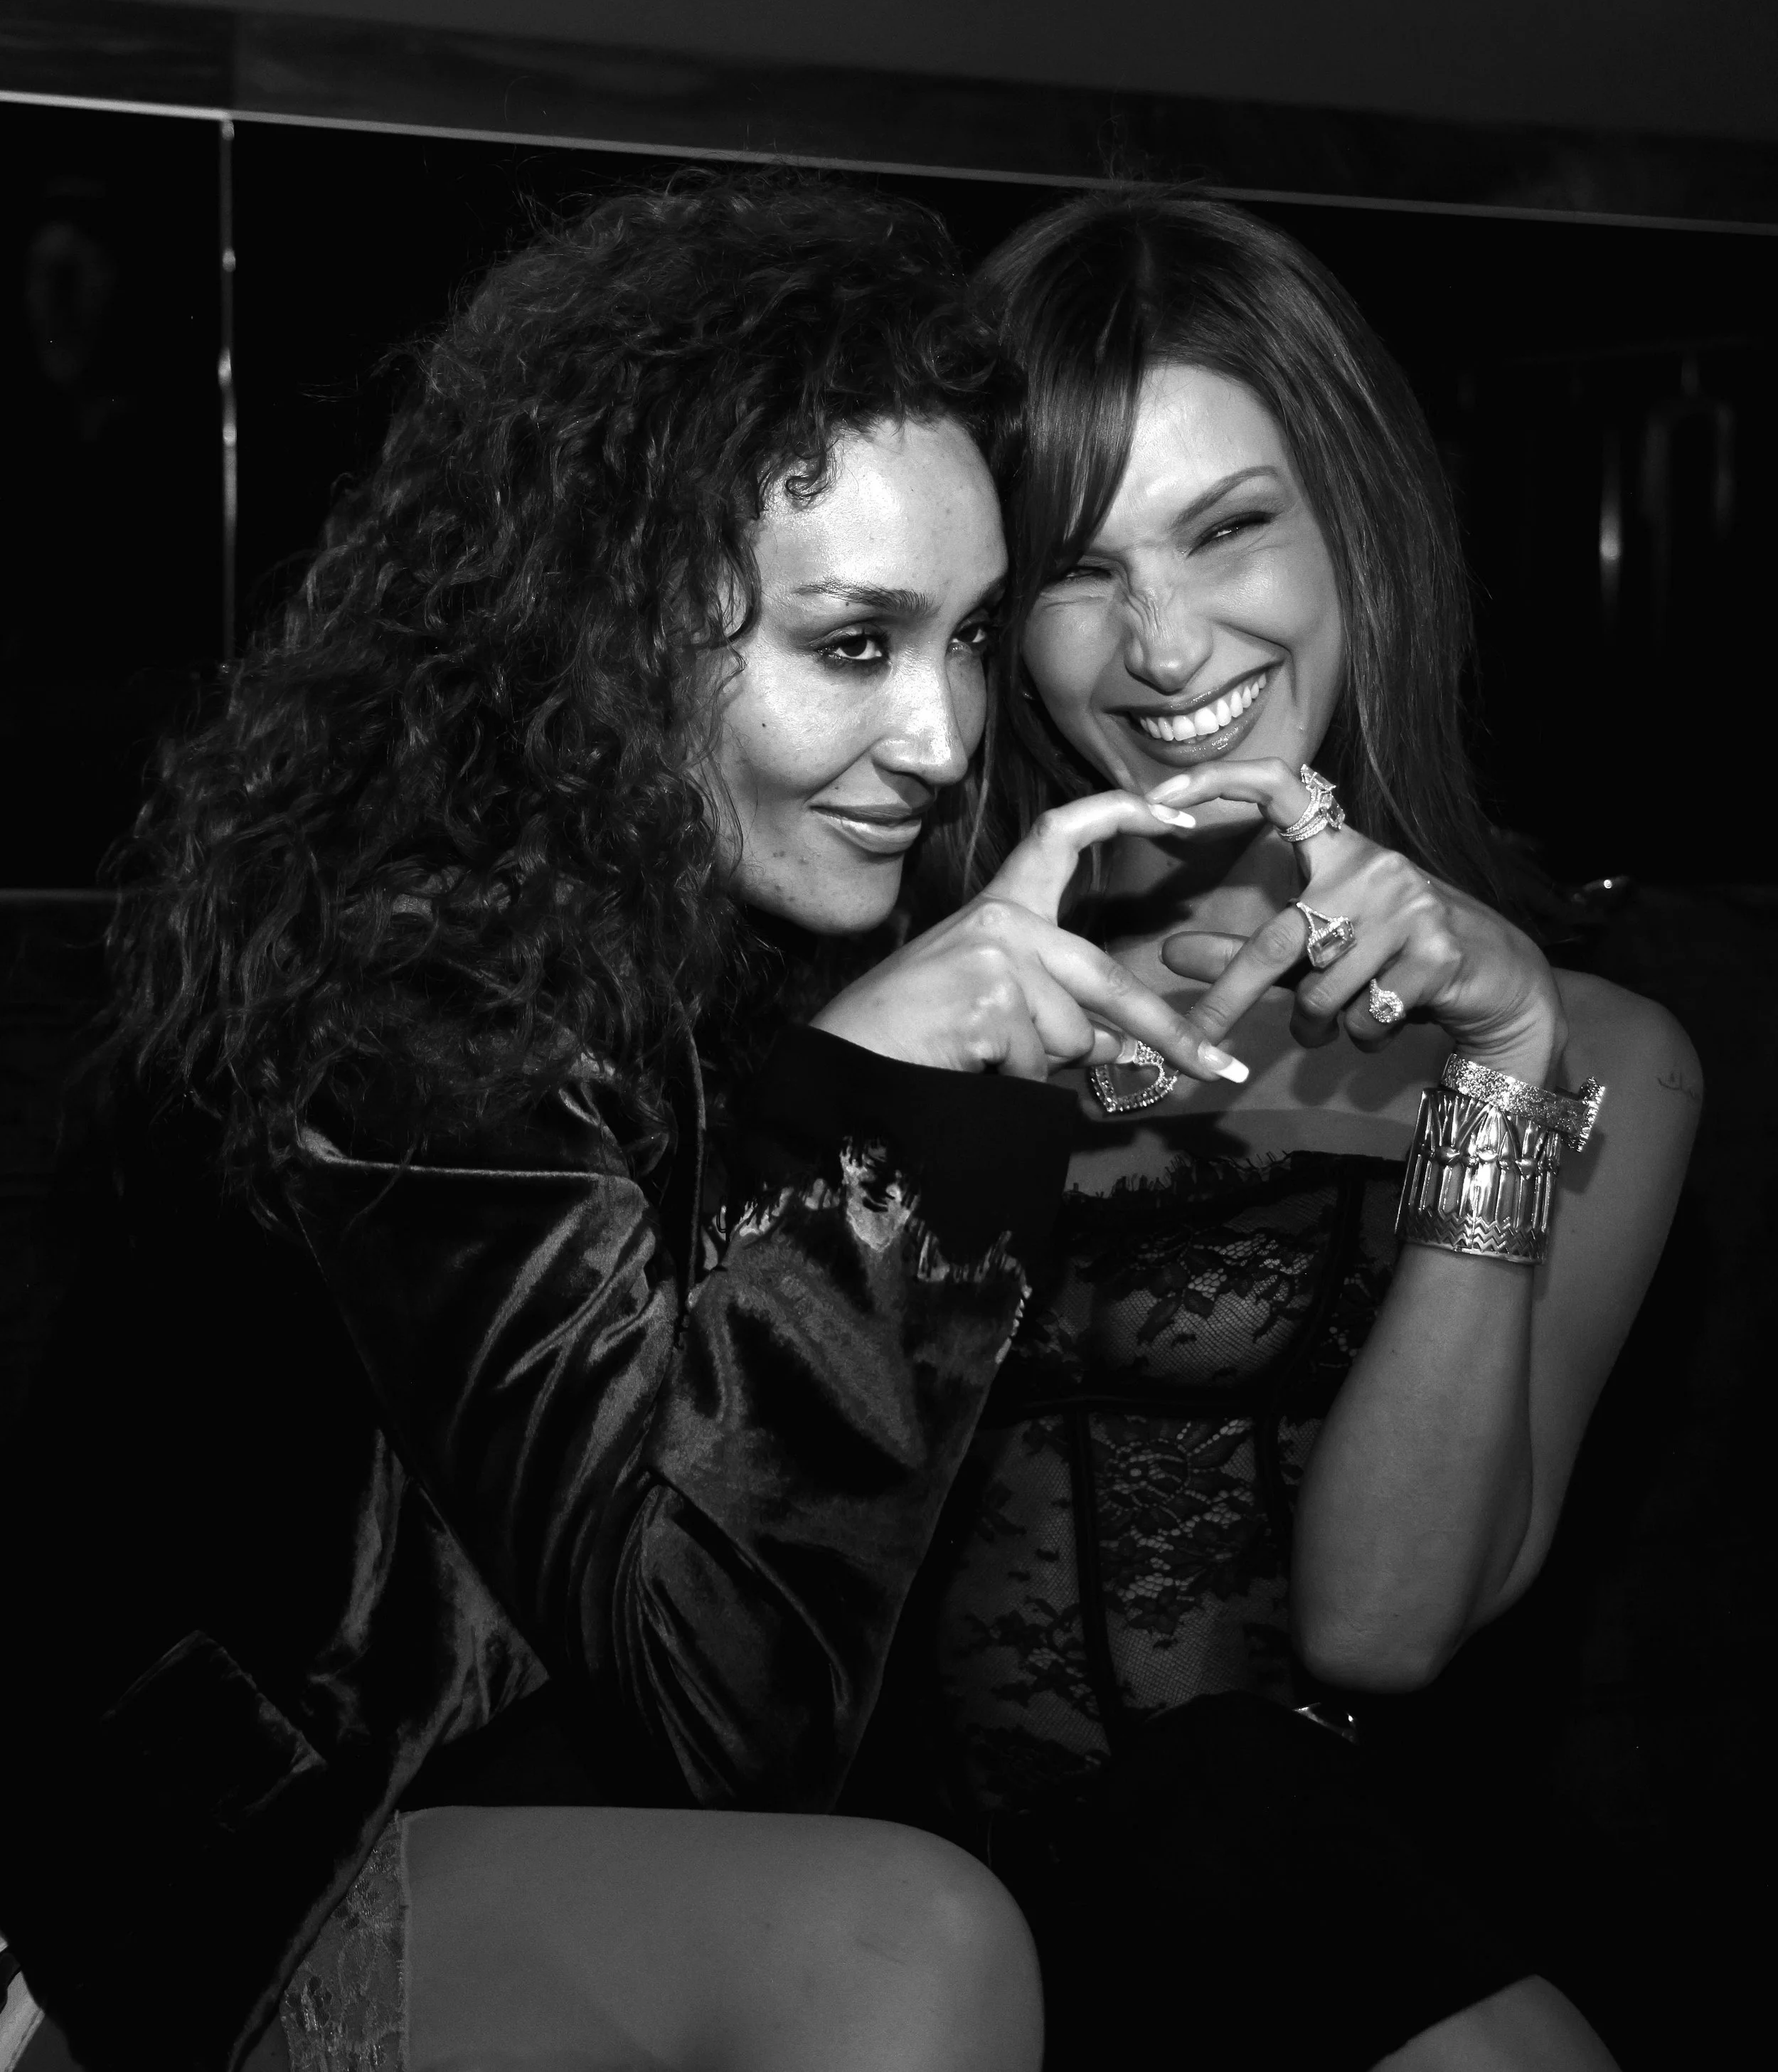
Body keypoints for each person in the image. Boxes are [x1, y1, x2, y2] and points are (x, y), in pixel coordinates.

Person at [0, 176, 1238, 2072]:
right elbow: (714, 1705)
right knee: (902, 1945)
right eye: (850, 643)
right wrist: (890, 1108)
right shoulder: (419, 984)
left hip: (564, 1806)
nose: (936, 732)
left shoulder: (750, 915)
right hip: (253, 1857)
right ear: (615, 630)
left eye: (972, 636)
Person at [902, 189, 1702, 2072]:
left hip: (1320, 1938)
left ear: (1353, 525)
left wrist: (1497, 1074)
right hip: (883, 1947)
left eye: (1228, 526)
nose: (1162, 644)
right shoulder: (896, 982)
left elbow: (1378, 1625)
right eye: (1080, 567)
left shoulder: (1600, 1045)